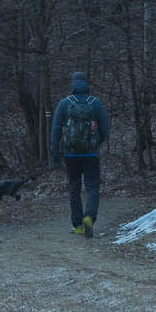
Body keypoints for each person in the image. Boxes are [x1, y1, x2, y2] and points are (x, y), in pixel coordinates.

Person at [49, 73, 111, 237]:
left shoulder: (64, 103)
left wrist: (54, 150)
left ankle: (77, 225)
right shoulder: (95, 103)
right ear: (86, 84)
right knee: (92, 187)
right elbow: (105, 127)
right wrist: (98, 141)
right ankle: (89, 217)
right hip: (91, 153)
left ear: (73, 85)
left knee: (74, 188)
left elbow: (55, 128)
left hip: (71, 154)